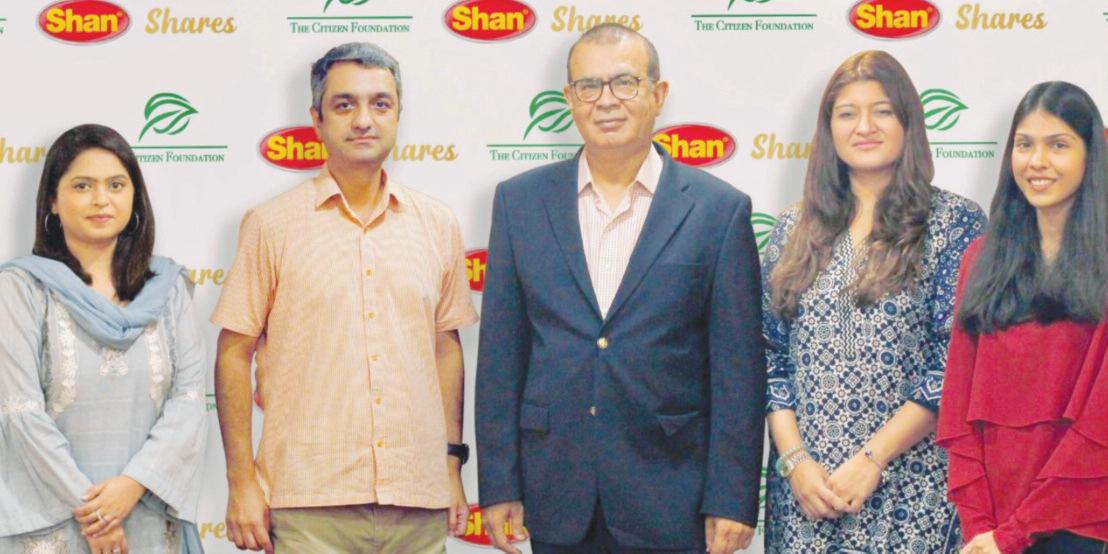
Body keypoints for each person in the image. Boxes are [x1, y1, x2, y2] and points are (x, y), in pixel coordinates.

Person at [476, 24, 765, 554]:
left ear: (659, 94)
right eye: (589, 86)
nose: (606, 100)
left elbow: (738, 372)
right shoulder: (520, 203)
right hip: (557, 491)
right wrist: (499, 483)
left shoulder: (718, 211)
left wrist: (732, 497)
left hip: (673, 493)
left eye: (625, 83)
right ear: (569, 99)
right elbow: (501, 355)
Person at [211, 42, 477, 554]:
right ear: (316, 119)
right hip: (309, 507)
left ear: (398, 114)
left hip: (417, 503)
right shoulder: (271, 225)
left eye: (380, 103)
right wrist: (241, 480)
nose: (363, 120)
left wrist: (450, 466)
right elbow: (233, 353)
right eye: (344, 104)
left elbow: (446, 349)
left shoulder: (437, 224)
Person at [760, 50, 986, 553]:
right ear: (828, 129)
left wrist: (872, 459)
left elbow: (954, 363)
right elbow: (770, 358)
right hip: (806, 497)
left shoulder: (954, 223)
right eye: (847, 113)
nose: (864, 126)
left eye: (882, 111)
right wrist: (795, 463)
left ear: (908, 122)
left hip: (913, 491)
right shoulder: (792, 229)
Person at [0, 123, 206, 554]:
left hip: (146, 518)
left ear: (135, 197)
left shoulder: (167, 288)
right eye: (82, 186)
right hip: (56, 524)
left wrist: (131, 486)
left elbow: (188, 403)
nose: (101, 199)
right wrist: (96, 515)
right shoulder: (21, 289)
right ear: (52, 200)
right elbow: (20, 414)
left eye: (116, 184)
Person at [938, 81, 1108, 554]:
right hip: (987, 528)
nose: (1037, 161)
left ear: (1091, 156)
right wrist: (981, 526)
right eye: (1025, 144)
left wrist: (1016, 533)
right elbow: (958, 407)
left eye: (1058, 145)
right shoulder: (980, 259)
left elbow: (1100, 425)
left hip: (1083, 521)